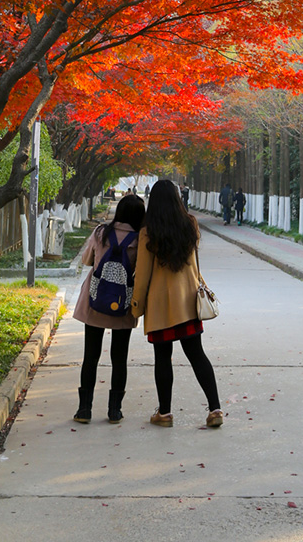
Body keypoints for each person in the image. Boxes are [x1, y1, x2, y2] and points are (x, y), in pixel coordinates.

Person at [131, 179, 223, 428]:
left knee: (163, 357)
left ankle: (165, 413)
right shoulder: (190, 224)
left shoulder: (148, 232)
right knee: (197, 355)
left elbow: (142, 275)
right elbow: (195, 264)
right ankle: (215, 409)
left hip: (161, 307)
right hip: (188, 302)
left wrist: (136, 307)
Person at [73, 193, 146, 423]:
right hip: (122, 304)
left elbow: (87, 260)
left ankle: (84, 410)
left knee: (90, 357)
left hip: (95, 301)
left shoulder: (100, 232)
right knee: (119, 358)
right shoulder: (139, 239)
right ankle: (115, 411)